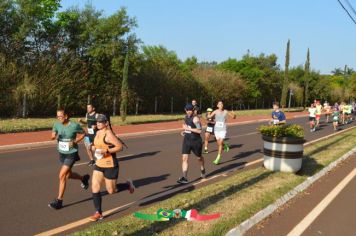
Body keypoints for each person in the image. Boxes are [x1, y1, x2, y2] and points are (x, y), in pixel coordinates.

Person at [89, 114, 135, 221]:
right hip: (99, 164)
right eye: (97, 122)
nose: (98, 123)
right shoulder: (98, 132)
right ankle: (98, 212)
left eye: (101, 122)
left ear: (106, 123)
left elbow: (119, 147)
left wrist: (106, 151)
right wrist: (93, 147)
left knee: (111, 191)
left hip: (110, 165)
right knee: (95, 187)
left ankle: (127, 185)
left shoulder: (108, 134)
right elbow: (96, 144)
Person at [48, 108, 90, 210]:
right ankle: (83, 178)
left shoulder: (74, 125)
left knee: (62, 175)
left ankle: (59, 201)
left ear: (66, 116)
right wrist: (53, 136)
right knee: (68, 174)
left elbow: (84, 133)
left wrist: (76, 141)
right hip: (62, 152)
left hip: (72, 153)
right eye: (57, 116)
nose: (59, 118)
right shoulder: (56, 124)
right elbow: (52, 135)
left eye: (61, 116)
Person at [177, 104, 206, 184]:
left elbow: (199, 130)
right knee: (184, 158)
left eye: (190, 110)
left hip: (196, 141)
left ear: (192, 110)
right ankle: (184, 177)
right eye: (187, 110)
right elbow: (188, 128)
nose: (189, 111)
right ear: (185, 110)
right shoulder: (186, 118)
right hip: (187, 140)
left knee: (199, 158)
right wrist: (184, 131)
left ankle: (202, 169)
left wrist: (186, 128)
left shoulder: (195, 119)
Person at [208, 101, 236, 165]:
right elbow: (209, 117)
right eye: (220, 104)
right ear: (217, 105)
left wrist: (234, 114)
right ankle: (225, 145)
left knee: (220, 143)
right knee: (219, 143)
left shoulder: (225, 111)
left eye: (222, 104)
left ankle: (218, 158)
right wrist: (209, 114)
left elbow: (234, 117)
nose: (221, 105)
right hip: (216, 129)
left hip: (223, 129)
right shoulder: (215, 111)